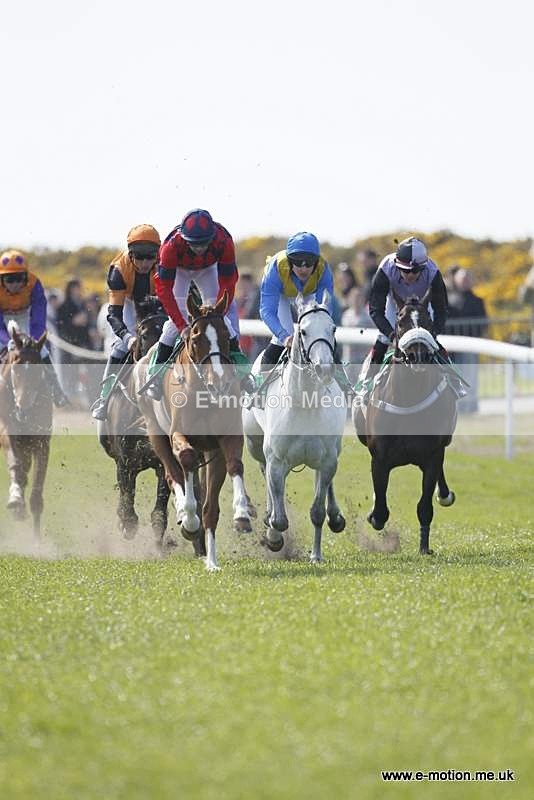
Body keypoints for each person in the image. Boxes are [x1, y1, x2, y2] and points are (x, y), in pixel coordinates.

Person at [147, 209, 252, 399]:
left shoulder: (224, 240)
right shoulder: (170, 246)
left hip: (208, 269)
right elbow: (164, 291)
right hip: (179, 269)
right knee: (172, 325)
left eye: (204, 243)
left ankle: (244, 374)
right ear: (185, 239)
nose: (200, 248)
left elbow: (228, 281)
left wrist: (218, 313)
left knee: (224, 322)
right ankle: (155, 374)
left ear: (212, 237)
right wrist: (182, 326)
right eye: (194, 244)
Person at [357, 236, 458, 396]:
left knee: (431, 343)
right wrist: (391, 335)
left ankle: (454, 381)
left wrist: (432, 334)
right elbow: (376, 310)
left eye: (415, 271)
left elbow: (441, 310)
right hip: (395, 306)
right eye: (404, 270)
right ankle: (365, 383)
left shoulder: (433, 272)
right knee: (383, 340)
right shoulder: (385, 269)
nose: (410, 275)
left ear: (423, 268)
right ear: (397, 265)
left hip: (423, 307)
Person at [259, 231, 352, 393]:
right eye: (297, 262)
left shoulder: (324, 270)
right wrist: (283, 336)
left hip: (310, 293)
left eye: (309, 262)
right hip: (281, 294)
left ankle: (345, 386)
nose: (303, 268)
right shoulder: (276, 268)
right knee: (284, 334)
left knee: (320, 334)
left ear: (316, 262)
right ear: (289, 261)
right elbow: (267, 311)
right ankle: (260, 387)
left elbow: (325, 312)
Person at [91, 224, 161, 420]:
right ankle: (104, 398)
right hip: (129, 302)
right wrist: (127, 337)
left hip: (158, 300)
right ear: (130, 254)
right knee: (120, 349)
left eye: (150, 256)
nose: (146, 262)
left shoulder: (165, 263)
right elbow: (114, 314)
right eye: (140, 256)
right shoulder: (118, 270)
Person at [0, 249, 67, 406]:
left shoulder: (34, 284)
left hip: (26, 317)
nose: (15, 284)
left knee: (42, 351)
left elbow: (38, 318)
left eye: (19, 278)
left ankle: (56, 390)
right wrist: (6, 340)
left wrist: (34, 341)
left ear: (26, 276)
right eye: (9, 279)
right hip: (3, 319)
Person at [446, 267, 488, 413]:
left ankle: (470, 406)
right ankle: (456, 407)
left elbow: (483, 323)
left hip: (471, 347)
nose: (465, 282)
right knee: (454, 378)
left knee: (470, 377)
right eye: (462, 279)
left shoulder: (477, 301)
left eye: (467, 279)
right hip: (451, 349)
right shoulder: (448, 300)